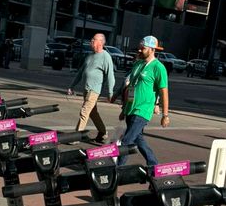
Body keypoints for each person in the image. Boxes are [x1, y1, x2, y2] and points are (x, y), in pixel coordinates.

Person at [113, 35, 169, 167]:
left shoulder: (158, 67)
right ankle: (153, 164)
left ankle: (117, 170)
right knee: (138, 139)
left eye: (142, 48)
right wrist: (124, 108)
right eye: (139, 48)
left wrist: (165, 115)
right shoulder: (138, 64)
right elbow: (131, 87)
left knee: (126, 141)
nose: (139, 51)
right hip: (131, 108)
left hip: (143, 111)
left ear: (152, 49)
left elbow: (164, 92)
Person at [67, 33, 115, 143]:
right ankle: (103, 133)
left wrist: (110, 93)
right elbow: (80, 73)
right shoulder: (90, 55)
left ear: (101, 42)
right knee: (93, 113)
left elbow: (110, 76)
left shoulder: (105, 56)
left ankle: (76, 136)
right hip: (86, 90)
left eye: (94, 39)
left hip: (94, 90)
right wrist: (72, 86)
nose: (91, 41)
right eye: (92, 39)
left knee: (84, 112)